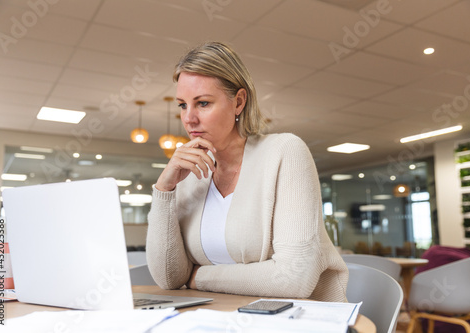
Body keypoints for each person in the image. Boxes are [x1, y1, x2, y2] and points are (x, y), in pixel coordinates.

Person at [146, 41, 348, 302]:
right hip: (221, 318)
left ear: (239, 102)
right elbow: (169, 278)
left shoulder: (285, 152)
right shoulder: (191, 174)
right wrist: (165, 189)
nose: (189, 118)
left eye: (203, 103)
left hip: (296, 320)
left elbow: (294, 278)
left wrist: (198, 277)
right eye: (183, 105)